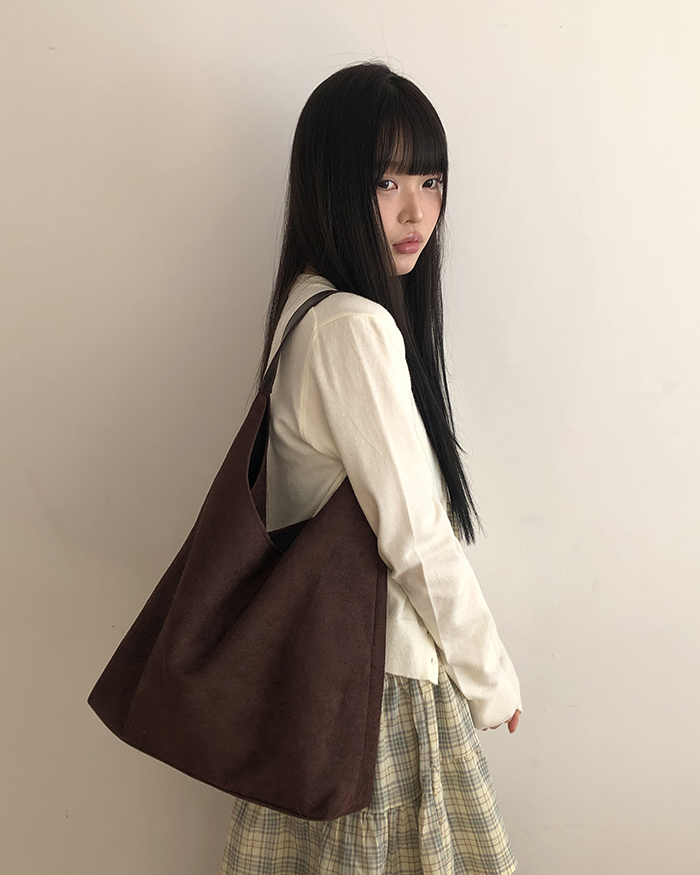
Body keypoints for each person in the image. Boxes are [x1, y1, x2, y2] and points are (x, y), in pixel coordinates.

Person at [219, 60, 522, 875]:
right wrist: (490, 676)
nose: (417, 211)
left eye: (430, 180)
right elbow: (414, 535)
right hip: (376, 696)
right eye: (387, 182)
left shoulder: (309, 306)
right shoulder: (350, 326)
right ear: (331, 186)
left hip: (324, 690)